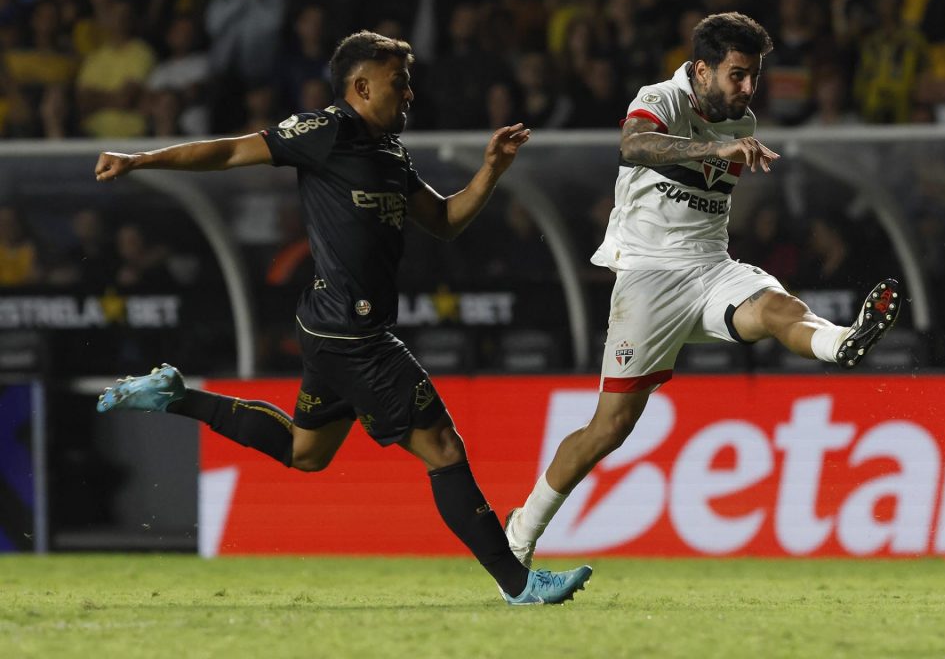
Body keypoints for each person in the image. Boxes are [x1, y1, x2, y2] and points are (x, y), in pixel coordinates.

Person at [92, 30, 591, 606]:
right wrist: (140, 159)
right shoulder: (324, 132)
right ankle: (519, 582)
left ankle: (175, 396)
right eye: (397, 82)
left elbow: (447, 220)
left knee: (308, 453)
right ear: (361, 86)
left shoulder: (390, 153)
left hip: (331, 328)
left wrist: (491, 170)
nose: (408, 93)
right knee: (444, 450)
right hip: (354, 335)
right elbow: (230, 151)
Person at [504, 12, 903, 567]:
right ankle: (519, 533)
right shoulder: (662, 98)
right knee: (611, 427)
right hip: (649, 275)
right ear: (701, 70)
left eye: (754, 76)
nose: (747, 88)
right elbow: (634, 145)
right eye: (737, 75)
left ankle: (841, 342)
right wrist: (710, 151)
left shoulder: (742, 118)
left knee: (778, 307)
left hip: (713, 268)